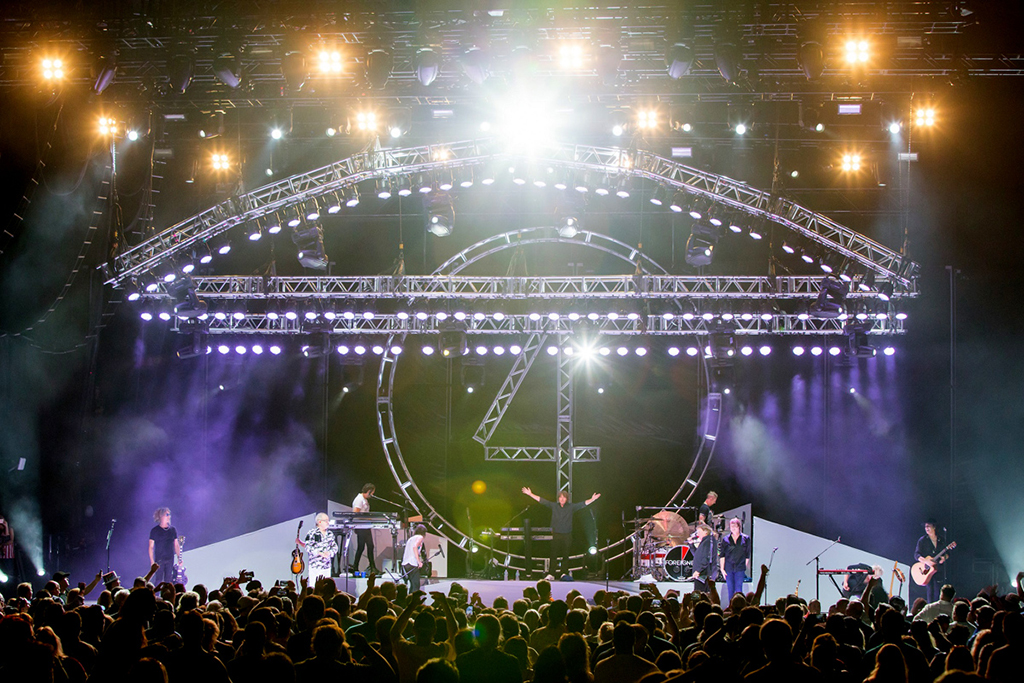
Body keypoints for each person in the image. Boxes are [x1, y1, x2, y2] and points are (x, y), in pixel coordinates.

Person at [521, 486, 601, 579]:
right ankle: (551, 574)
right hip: (556, 534)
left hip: (567, 534)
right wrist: (530, 494)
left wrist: (592, 499)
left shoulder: (571, 507)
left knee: (565, 555)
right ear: (558, 498)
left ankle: (564, 573)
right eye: (560, 497)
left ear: (567, 499)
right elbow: (542, 500)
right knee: (553, 555)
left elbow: (583, 504)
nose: (562, 499)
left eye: (564, 497)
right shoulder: (554, 506)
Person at [296, 512, 339, 584]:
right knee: (314, 586)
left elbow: (335, 547)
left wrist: (329, 553)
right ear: (319, 522)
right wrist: (318, 553)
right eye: (326, 520)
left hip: (326, 567)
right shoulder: (312, 533)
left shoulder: (330, 534)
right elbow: (308, 547)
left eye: (328, 520)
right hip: (315, 566)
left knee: (326, 586)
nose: (328, 522)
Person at [914, 519, 946, 604]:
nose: (926, 528)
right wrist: (925, 561)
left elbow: (947, 553)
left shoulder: (941, 539)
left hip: (938, 570)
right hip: (927, 570)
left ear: (934, 527)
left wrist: (944, 558)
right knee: (930, 592)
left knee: (939, 592)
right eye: (925, 527)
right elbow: (916, 554)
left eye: (928, 526)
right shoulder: (923, 540)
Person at [718, 517, 750, 600]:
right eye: (732, 526)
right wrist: (722, 569)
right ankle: (731, 606)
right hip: (729, 568)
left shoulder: (745, 538)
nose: (733, 528)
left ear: (739, 527)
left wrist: (743, 566)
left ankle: (739, 606)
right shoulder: (726, 539)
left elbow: (747, 555)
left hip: (740, 568)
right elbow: (722, 555)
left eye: (735, 526)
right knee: (730, 590)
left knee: (739, 590)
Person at [148, 507, 181, 585]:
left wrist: (179, 558)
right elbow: (151, 547)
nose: (169, 516)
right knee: (158, 580)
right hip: (159, 559)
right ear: (161, 516)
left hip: (170, 559)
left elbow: (176, 545)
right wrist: (152, 561)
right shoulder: (155, 530)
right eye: (167, 514)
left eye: (169, 514)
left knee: (168, 580)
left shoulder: (172, 530)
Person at [351, 483, 379, 574]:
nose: (372, 495)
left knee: (369, 546)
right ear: (369, 491)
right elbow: (355, 513)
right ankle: (356, 567)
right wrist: (367, 518)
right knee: (362, 547)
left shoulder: (364, 500)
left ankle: (372, 567)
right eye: (372, 493)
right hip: (361, 526)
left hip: (365, 526)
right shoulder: (359, 499)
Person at [688, 522, 714, 592]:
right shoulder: (704, 542)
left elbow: (706, 558)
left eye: (699, 532)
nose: (697, 534)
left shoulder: (707, 542)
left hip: (702, 574)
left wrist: (698, 570)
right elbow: (696, 554)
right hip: (699, 574)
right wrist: (691, 544)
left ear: (705, 532)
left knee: (700, 593)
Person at [402, 524, 427, 593]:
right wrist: (419, 561)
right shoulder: (420, 537)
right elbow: (415, 547)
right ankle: (414, 599)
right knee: (416, 585)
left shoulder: (411, 539)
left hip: (406, 563)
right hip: (412, 563)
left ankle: (410, 598)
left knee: (413, 585)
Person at [0, 512, 14, 579]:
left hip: (8, 553)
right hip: (1, 553)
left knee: (9, 569)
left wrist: (6, 526)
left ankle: (11, 580)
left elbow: (10, 540)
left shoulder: (10, 529)